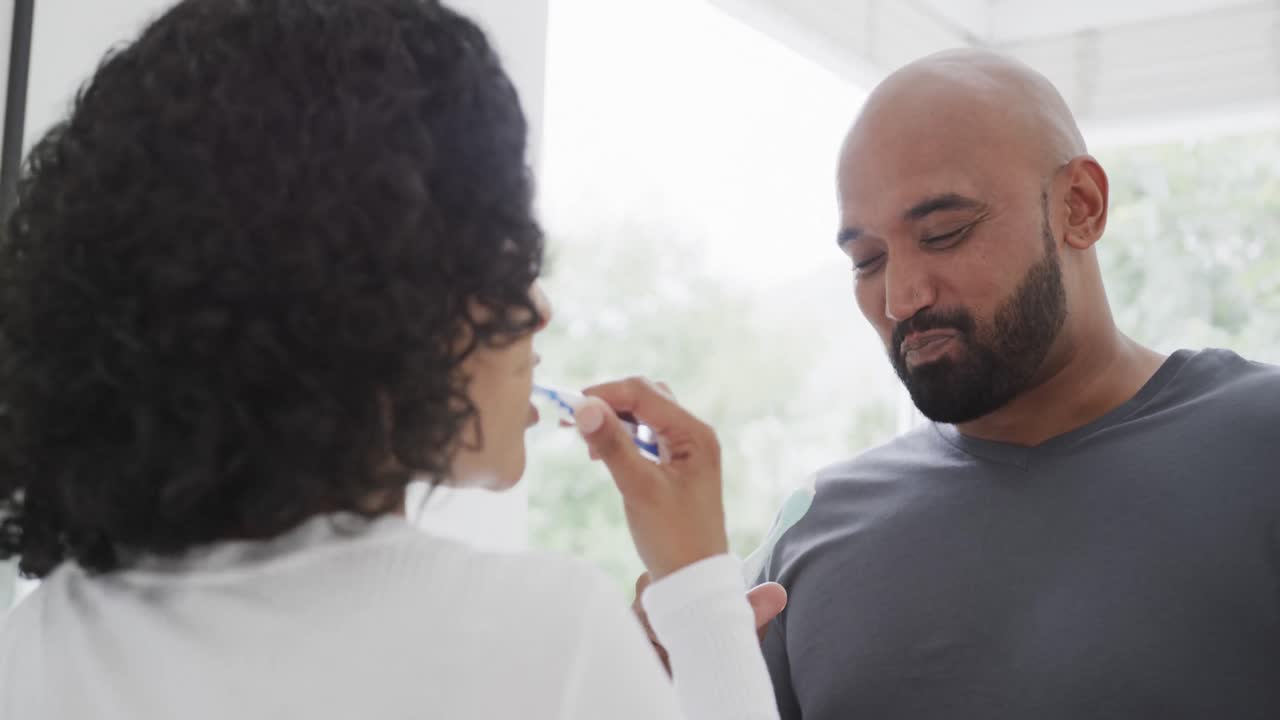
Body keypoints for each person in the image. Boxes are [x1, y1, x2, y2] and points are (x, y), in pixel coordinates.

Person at [0, 2, 783, 718]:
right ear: (376, 286)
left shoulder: (30, 645)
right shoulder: (541, 638)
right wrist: (702, 599)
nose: (537, 308)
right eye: (502, 250)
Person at [748, 50, 1280, 718]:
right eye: (868, 261)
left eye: (943, 233)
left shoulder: (1262, 448)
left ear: (1080, 208)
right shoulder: (809, 536)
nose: (901, 298)